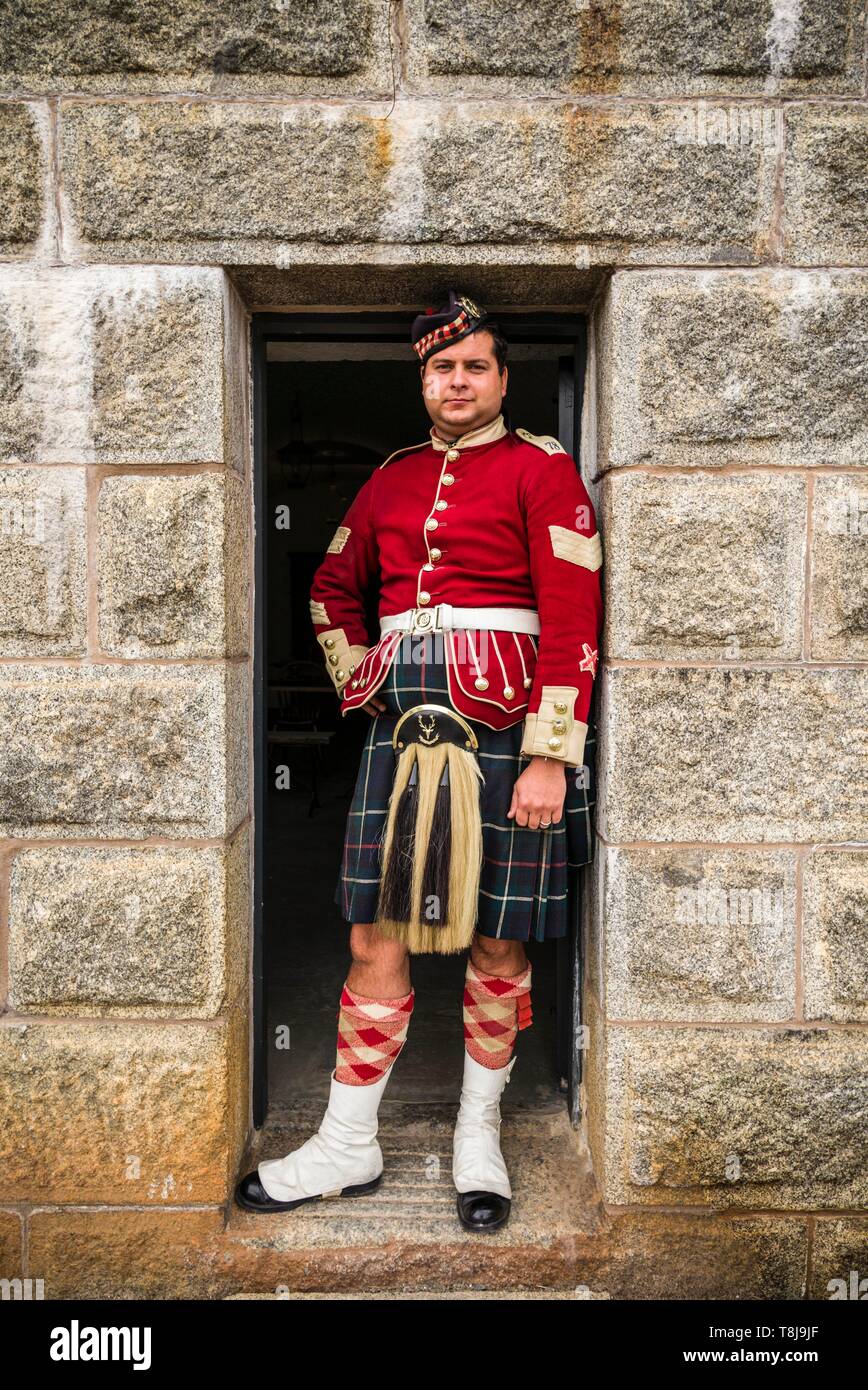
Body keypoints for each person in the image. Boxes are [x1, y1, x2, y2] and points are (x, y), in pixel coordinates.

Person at [235, 290, 603, 1232]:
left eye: (476, 365)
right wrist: (363, 675)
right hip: (401, 749)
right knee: (373, 938)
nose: (459, 381)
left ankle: (478, 1137)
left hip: (505, 748)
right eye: (444, 368)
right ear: (424, 380)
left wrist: (549, 756)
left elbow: (570, 618)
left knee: (497, 941)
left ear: (503, 379)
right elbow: (330, 585)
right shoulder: (389, 479)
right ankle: (347, 1144)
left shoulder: (542, 470)